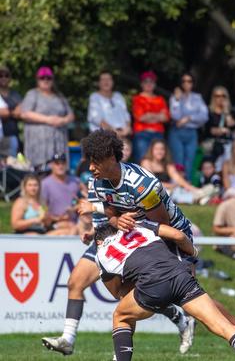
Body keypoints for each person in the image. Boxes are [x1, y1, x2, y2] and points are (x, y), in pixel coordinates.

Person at [41, 130, 196, 356]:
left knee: (189, 299)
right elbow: (110, 216)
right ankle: (68, 338)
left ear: (111, 158)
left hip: (159, 236)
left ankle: (229, 328)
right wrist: (97, 230)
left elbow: (162, 225)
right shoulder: (96, 182)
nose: (90, 167)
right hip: (115, 234)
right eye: (89, 161)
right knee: (78, 282)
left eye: (95, 161)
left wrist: (106, 213)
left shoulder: (142, 183)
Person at [93, 222, 235, 361]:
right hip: (180, 273)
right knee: (222, 326)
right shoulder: (138, 227)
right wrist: (193, 252)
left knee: (121, 316)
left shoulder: (101, 252)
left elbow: (117, 293)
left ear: (99, 242)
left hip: (153, 285)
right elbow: (179, 235)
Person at [20, 66, 75, 169]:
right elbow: (25, 113)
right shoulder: (32, 94)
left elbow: (71, 115)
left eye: (48, 78)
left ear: (52, 80)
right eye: (42, 78)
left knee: (59, 170)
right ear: (37, 80)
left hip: (59, 143)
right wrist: (47, 119)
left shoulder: (59, 96)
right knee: (39, 173)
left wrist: (63, 120)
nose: (45, 80)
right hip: (38, 145)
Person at [169, 73, 208, 180]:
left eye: (189, 81)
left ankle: (188, 188)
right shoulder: (175, 97)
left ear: (193, 83)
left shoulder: (197, 97)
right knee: (178, 161)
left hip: (192, 132)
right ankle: (176, 187)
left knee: (190, 162)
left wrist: (189, 118)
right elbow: (175, 116)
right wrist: (177, 100)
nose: (186, 83)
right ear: (180, 83)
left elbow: (204, 116)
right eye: (184, 81)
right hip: (177, 132)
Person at [40, 154, 86, 234]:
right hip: (55, 224)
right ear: (51, 165)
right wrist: (56, 218)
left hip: (76, 222)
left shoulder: (76, 181)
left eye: (63, 163)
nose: (60, 166)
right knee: (71, 230)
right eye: (57, 163)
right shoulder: (45, 183)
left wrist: (75, 208)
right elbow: (41, 207)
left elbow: (88, 198)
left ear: (66, 164)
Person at [132, 71, 169, 163]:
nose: (149, 84)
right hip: (142, 134)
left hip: (158, 134)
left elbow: (165, 117)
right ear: (141, 84)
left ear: (154, 84)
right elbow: (140, 117)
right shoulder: (137, 99)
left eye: (151, 82)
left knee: (158, 162)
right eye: (146, 81)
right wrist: (157, 116)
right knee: (142, 161)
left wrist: (149, 115)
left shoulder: (160, 99)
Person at [87, 71, 131, 137]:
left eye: (109, 79)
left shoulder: (118, 96)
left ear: (113, 82)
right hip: (103, 137)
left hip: (123, 135)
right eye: (103, 79)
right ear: (99, 83)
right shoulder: (94, 97)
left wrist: (127, 128)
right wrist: (114, 131)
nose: (106, 82)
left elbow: (126, 115)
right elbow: (96, 119)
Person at [204, 86, 235, 167]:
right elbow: (208, 129)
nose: (221, 98)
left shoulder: (232, 112)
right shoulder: (208, 111)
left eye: (223, 96)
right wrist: (221, 130)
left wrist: (226, 111)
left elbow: (232, 125)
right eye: (217, 96)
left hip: (228, 145)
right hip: (213, 145)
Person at [0, 65, 23, 157]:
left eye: (6, 75)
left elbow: (20, 112)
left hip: (13, 135)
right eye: (0, 76)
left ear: (10, 78)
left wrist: (6, 112)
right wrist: (12, 112)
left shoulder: (15, 94)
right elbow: (6, 113)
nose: (3, 78)